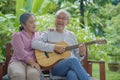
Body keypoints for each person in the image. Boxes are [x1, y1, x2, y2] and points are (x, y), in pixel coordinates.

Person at [32, 9, 90, 80]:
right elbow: (34, 44)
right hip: (56, 68)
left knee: (72, 74)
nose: (60, 20)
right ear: (55, 20)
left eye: (63, 18)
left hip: (71, 66)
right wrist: (54, 47)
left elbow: (77, 57)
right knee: (72, 60)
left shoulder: (71, 35)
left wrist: (81, 54)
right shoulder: (49, 33)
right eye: (58, 17)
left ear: (67, 22)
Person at [8, 13, 41, 80]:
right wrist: (32, 62)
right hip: (18, 61)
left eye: (35, 21)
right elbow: (21, 52)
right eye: (31, 22)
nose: (34, 24)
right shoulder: (17, 35)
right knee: (19, 74)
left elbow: (49, 41)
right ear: (23, 25)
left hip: (33, 63)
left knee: (33, 75)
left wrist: (51, 30)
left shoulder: (39, 34)